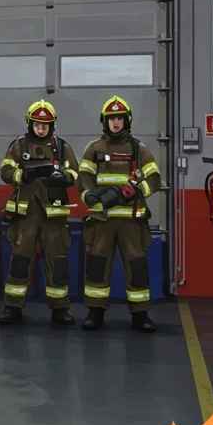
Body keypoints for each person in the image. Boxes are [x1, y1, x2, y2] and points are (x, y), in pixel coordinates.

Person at [77, 96, 162, 333]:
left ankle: (140, 315)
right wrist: (89, 196)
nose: (116, 123)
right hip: (101, 220)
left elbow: (154, 179)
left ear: (127, 120)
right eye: (112, 118)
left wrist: (133, 190)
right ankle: (95, 313)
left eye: (120, 118)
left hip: (132, 221)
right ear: (105, 121)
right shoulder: (94, 149)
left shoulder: (139, 149)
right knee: (97, 265)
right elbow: (83, 178)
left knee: (136, 267)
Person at [0, 100, 80, 327]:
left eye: (45, 125)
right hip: (25, 216)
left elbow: (76, 172)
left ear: (52, 125)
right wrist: (21, 176)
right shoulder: (19, 145)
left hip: (54, 217)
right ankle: (12, 307)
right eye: (37, 124)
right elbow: (5, 170)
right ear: (30, 123)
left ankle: (60, 309)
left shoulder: (62, 147)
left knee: (58, 262)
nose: (41, 129)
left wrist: (63, 177)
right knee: (20, 261)